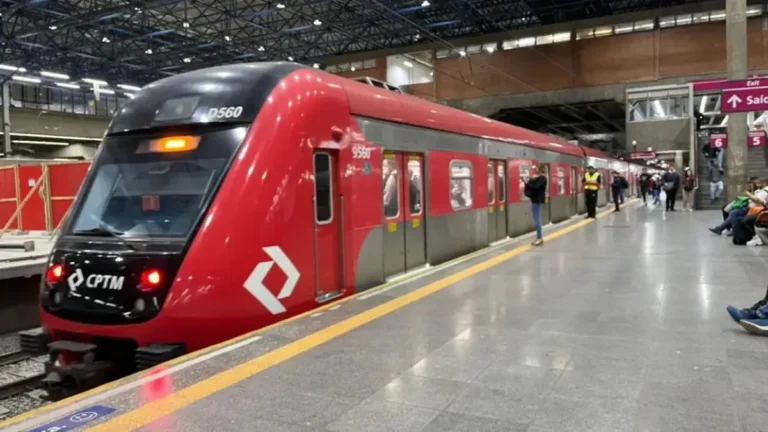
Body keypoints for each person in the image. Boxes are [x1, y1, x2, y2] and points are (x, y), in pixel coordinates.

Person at [524, 166, 548, 246]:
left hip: (537, 200)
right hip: (535, 200)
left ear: (539, 170)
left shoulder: (543, 178)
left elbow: (536, 187)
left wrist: (528, 182)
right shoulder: (541, 178)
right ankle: (539, 238)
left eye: (537, 169)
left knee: (537, 219)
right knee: (536, 218)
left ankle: (539, 238)